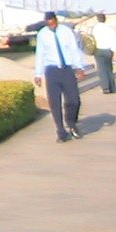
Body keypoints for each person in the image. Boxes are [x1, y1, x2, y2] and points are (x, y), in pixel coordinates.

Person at [33, 10, 88, 141]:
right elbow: (40, 54)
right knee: (54, 102)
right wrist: (38, 74)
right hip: (52, 71)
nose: (51, 26)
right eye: (48, 24)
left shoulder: (66, 31)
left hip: (67, 70)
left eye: (52, 24)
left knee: (74, 100)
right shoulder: (42, 34)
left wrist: (79, 67)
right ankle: (60, 130)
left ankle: (71, 123)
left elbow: (74, 49)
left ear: (56, 20)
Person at [89, 13, 116, 93]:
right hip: (108, 50)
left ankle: (105, 87)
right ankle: (112, 87)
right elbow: (113, 41)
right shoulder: (110, 29)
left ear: (97, 19)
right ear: (105, 19)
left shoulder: (93, 29)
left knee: (101, 69)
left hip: (98, 50)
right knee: (109, 69)